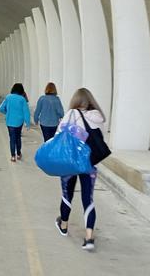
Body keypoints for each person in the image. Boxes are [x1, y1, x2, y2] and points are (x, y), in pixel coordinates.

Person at [55, 88, 106, 251]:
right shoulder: (98, 117)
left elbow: (59, 135)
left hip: (70, 162)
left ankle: (63, 225)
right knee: (88, 199)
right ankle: (89, 238)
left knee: (67, 194)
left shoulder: (71, 114)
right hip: (89, 164)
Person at [0, 83, 31, 162]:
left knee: (12, 138)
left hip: (9, 121)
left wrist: (7, 112)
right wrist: (27, 123)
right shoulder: (22, 99)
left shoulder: (8, 97)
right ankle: (19, 153)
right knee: (18, 137)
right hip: (19, 122)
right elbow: (26, 112)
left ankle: (13, 156)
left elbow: (1, 108)